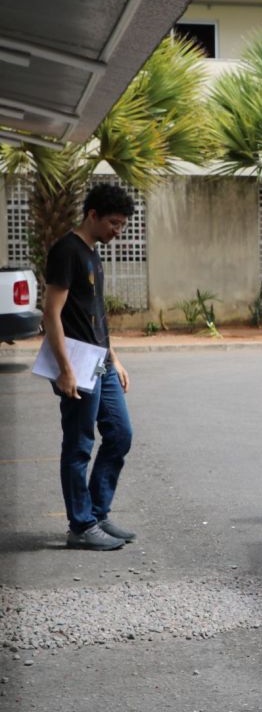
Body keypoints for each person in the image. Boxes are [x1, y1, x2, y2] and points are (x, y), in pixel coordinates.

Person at [42, 183, 137, 551]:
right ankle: (80, 526)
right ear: (92, 215)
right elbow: (52, 313)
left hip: (101, 362)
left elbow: (94, 314)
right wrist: (65, 369)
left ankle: (98, 513)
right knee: (79, 445)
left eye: (122, 224)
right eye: (113, 223)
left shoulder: (92, 254)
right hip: (77, 363)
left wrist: (115, 357)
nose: (118, 230)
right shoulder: (67, 251)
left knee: (120, 434)